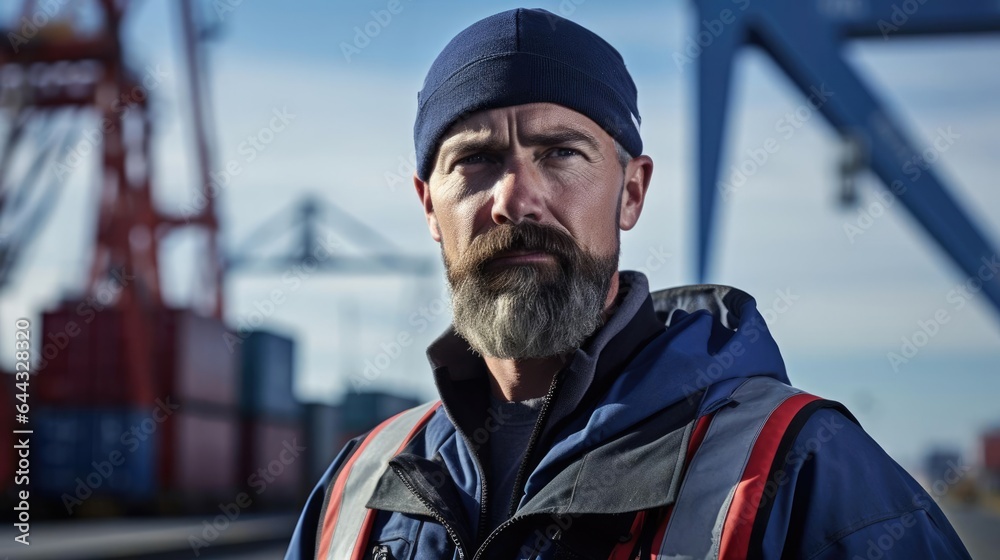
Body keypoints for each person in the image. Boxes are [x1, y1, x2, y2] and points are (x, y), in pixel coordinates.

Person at [285, 8, 972, 559]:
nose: (515, 200)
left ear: (633, 193)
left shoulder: (801, 473)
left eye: (560, 154)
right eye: (476, 161)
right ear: (428, 206)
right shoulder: (355, 492)